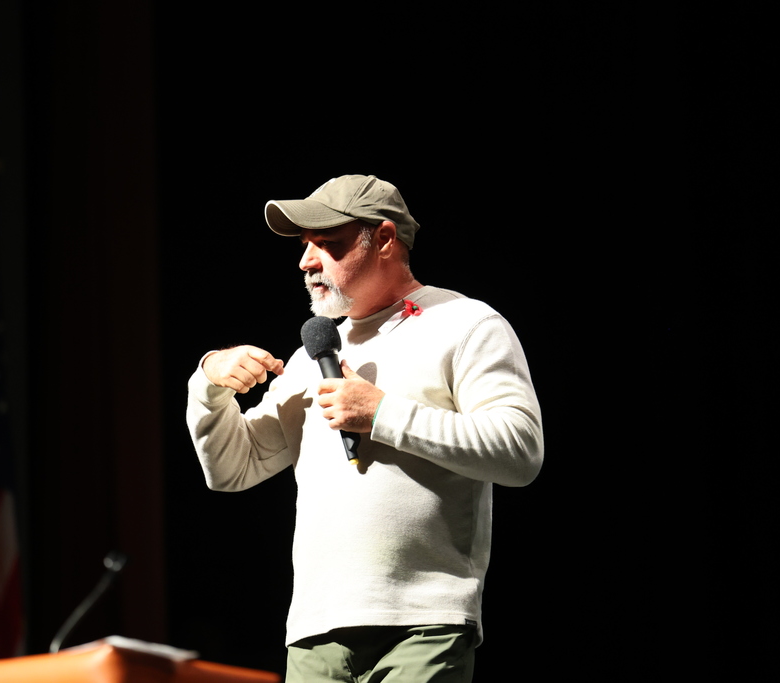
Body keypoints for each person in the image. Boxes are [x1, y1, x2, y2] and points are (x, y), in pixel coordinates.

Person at [186, 174, 543, 682]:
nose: (306, 261)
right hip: (316, 627)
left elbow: (519, 451)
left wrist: (382, 413)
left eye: (327, 244)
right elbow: (231, 469)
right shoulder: (314, 355)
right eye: (306, 246)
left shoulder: (465, 324)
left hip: (423, 620)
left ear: (383, 239)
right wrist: (209, 384)